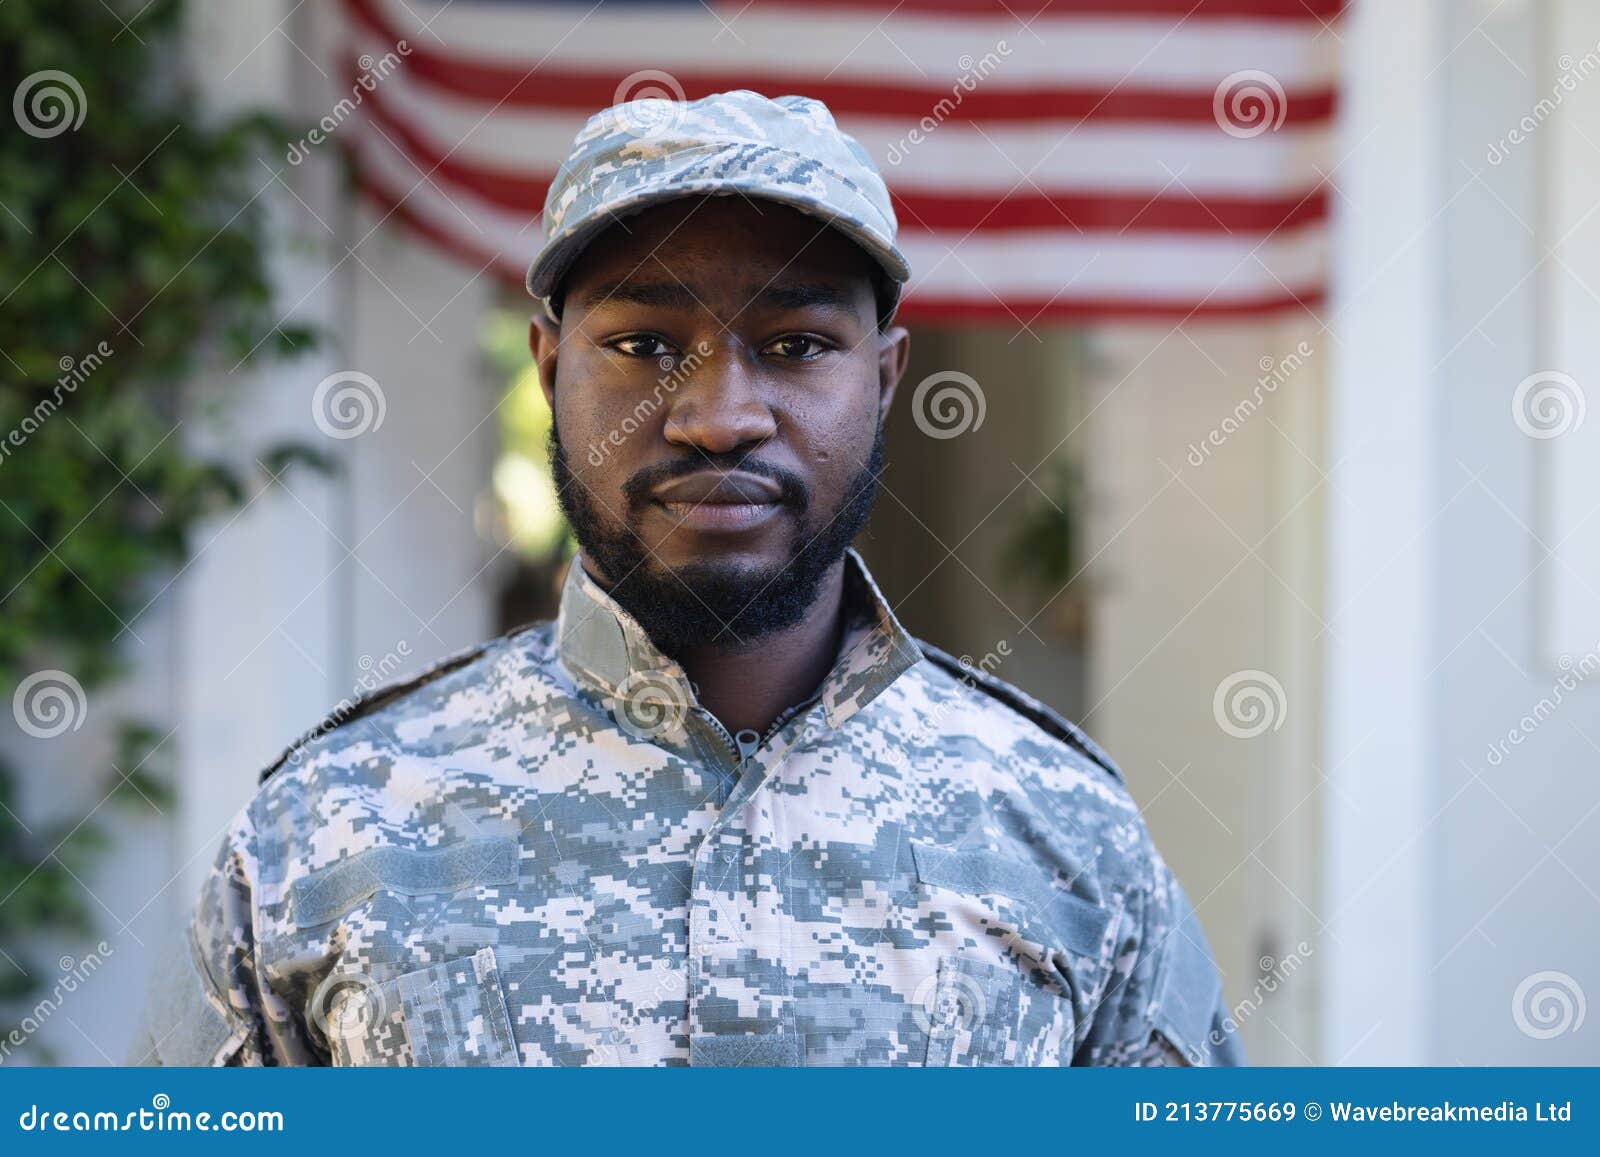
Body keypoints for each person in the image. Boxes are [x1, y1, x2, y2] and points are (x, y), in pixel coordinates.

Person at [128, 89, 1242, 1068]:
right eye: (645, 344)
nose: (719, 418)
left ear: (887, 378)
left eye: (798, 343)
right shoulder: (327, 826)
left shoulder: (1064, 831)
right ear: (549, 367)